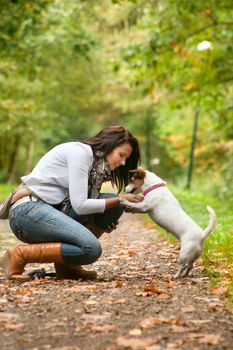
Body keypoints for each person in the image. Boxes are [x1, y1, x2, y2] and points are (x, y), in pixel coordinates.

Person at [0, 126, 142, 281]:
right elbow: (80, 205)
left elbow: (83, 204)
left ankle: (66, 266)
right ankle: (18, 255)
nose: (123, 162)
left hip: (53, 209)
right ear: (109, 145)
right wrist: (120, 198)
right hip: (28, 212)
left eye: (126, 159)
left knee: (114, 206)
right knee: (91, 249)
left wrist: (104, 215)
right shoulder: (81, 153)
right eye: (121, 155)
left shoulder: (96, 166)